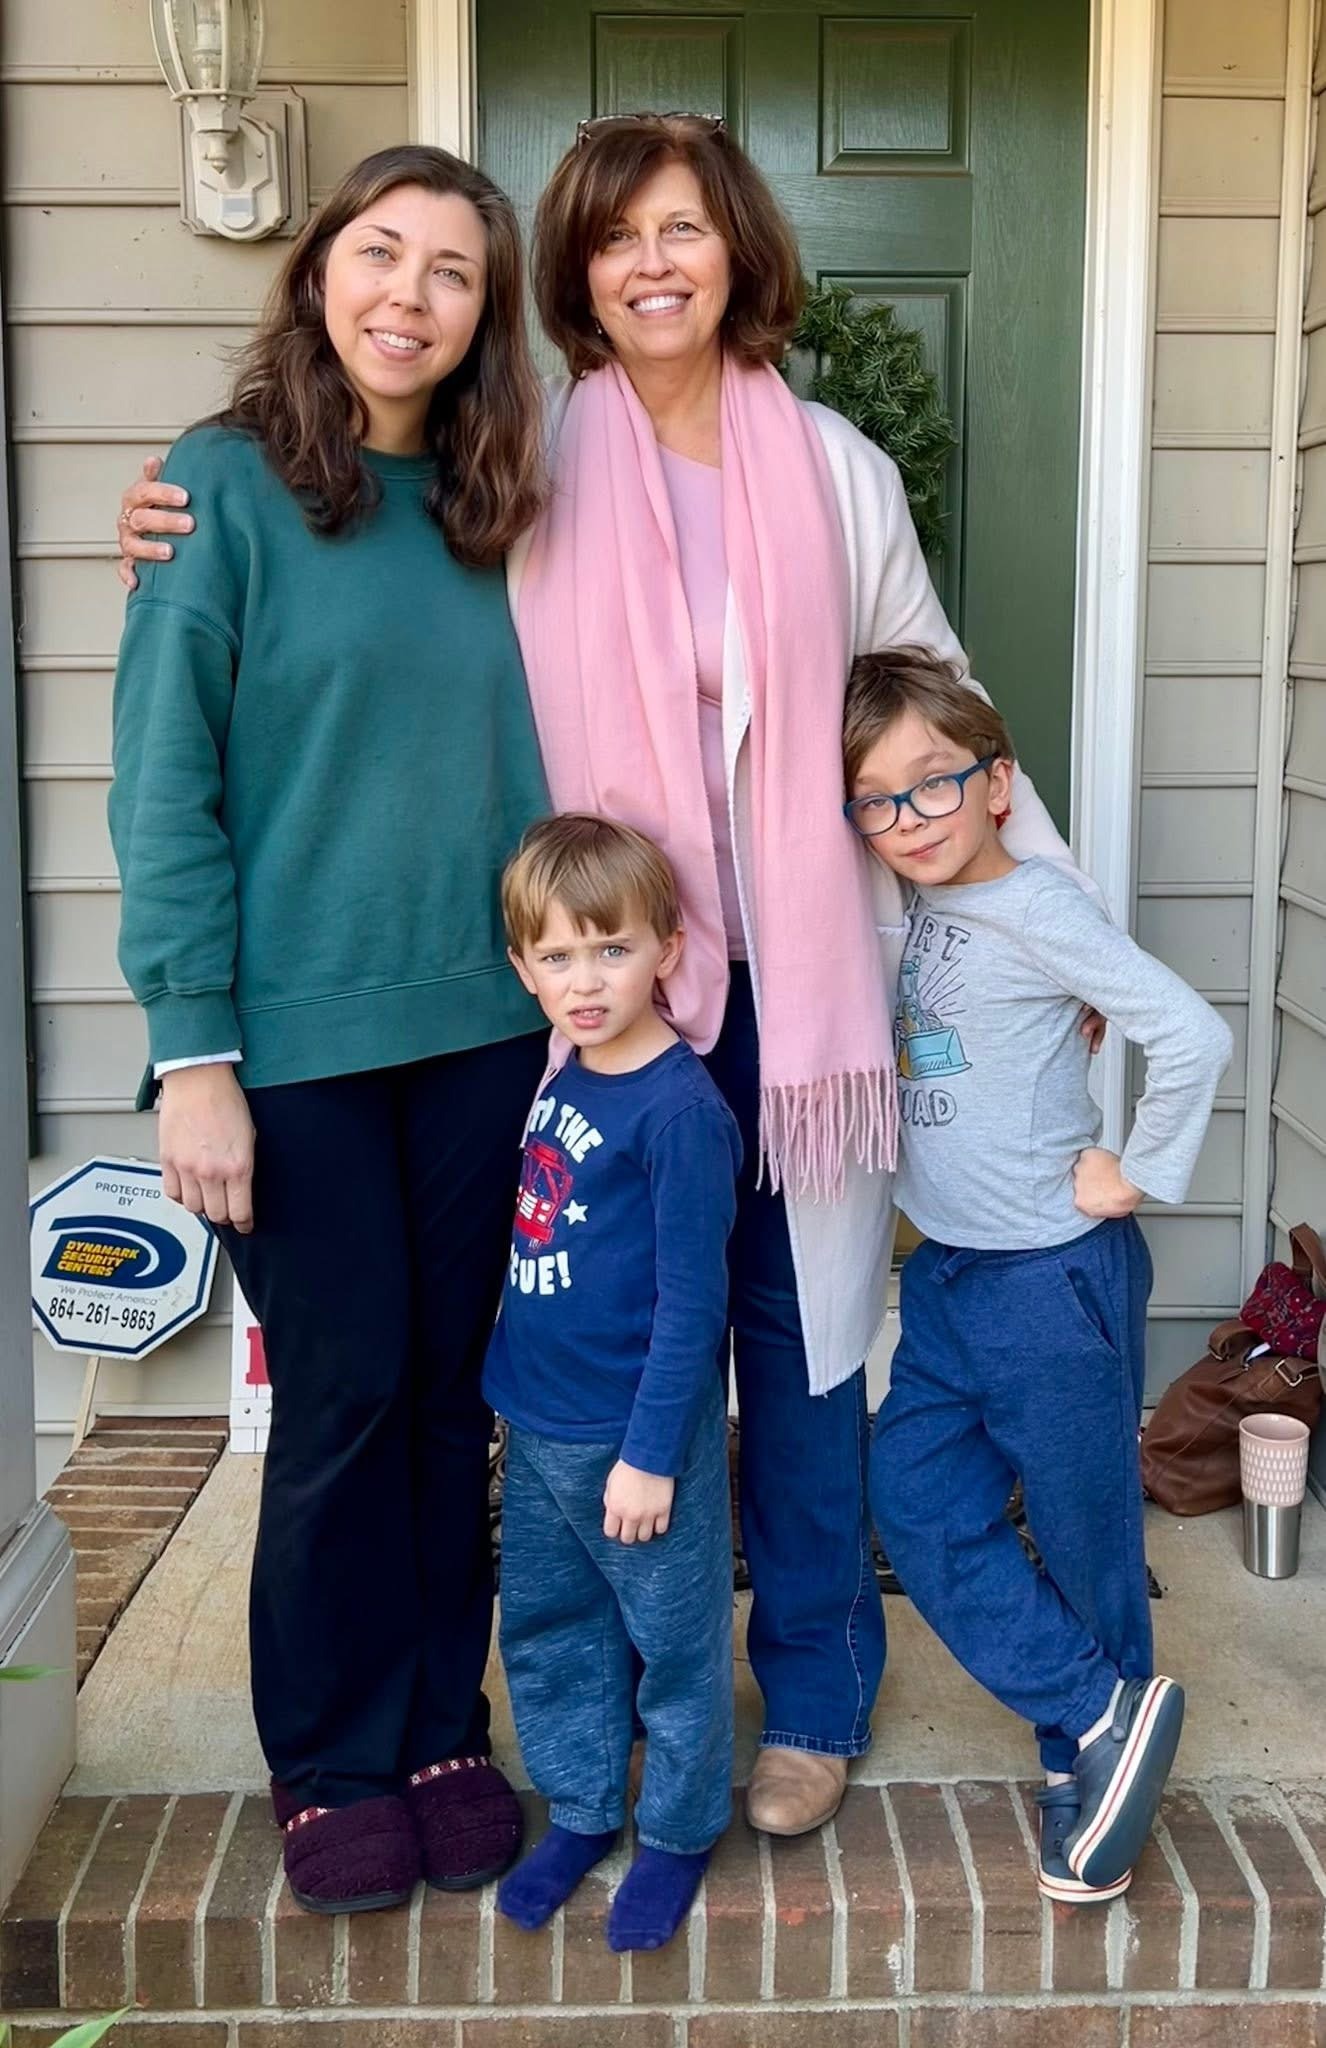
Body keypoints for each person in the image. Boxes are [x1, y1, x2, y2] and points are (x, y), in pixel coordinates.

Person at [115, 115, 1095, 1838]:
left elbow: (933, 700)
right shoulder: (531, 460)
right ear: (574, 274)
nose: (653, 263)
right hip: (603, 998)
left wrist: (1051, 917)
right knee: (594, 1365)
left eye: (684, 229)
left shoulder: (825, 471)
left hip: (796, 994)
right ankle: (593, 1708)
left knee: (795, 1350)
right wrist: (161, 515)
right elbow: (304, 569)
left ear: (736, 254)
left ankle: (804, 1700)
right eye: (617, 235)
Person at [108, 144, 554, 1913]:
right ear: (318, 273)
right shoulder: (216, 491)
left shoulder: (507, 504)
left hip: (487, 1032)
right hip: (287, 1046)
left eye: (451, 271)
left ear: (483, 315)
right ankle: (331, 1756)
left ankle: (442, 1726)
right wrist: (193, 1052)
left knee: (451, 1398)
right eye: (380, 253)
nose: (408, 295)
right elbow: (164, 788)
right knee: (347, 1396)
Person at [842, 646, 1233, 1903]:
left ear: (999, 783)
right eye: (877, 799)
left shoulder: (1041, 906)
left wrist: (1136, 1169)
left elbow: (1190, 1031)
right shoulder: (915, 903)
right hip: (953, 1280)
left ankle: (1088, 1762)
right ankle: (1097, 1707)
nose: (910, 817)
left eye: (935, 782)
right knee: (912, 1495)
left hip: (1053, 1280)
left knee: (1082, 1532)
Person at [485, 813, 740, 1953]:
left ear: (667, 951)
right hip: (539, 1419)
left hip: (636, 1439)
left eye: (612, 949)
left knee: (675, 1643)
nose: (584, 981)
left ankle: (678, 1829)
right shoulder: (564, 1073)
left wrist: (650, 1455)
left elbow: (693, 1304)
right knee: (551, 1626)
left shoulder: (681, 1114)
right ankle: (584, 1807)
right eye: (558, 955)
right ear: (524, 967)